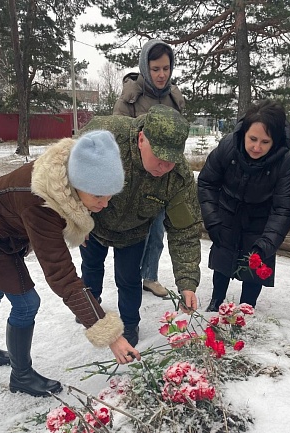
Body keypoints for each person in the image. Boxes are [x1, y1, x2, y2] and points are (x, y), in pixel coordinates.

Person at [0, 131, 141, 398]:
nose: (104, 205)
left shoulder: (68, 173)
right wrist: (111, 335)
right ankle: (21, 376)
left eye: (110, 196)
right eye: (98, 196)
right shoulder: (40, 203)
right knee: (27, 303)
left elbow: (70, 207)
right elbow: (62, 276)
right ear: (79, 182)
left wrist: (77, 224)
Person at [78, 104, 202, 347]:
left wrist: (187, 283)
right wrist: (75, 219)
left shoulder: (178, 179)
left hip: (133, 232)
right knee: (91, 268)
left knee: (129, 279)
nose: (165, 167)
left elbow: (184, 230)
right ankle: (89, 312)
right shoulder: (106, 137)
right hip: (93, 223)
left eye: (172, 160)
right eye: (160, 158)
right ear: (142, 138)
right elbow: (66, 171)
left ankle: (130, 325)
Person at [198, 99, 290, 311]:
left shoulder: (283, 161)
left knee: (256, 262)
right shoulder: (228, 146)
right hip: (227, 210)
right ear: (244, 133)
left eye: (265, 142)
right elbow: (207, 182)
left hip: (261, 218)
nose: (256, 147)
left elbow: (284, 208)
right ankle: (216, 301)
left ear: (275, 141)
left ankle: (246, 307)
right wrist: (212, 220)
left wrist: (267, 244)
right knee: (223, 259)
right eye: (252, 139)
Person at [113, 39, 185, 298]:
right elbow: (119, 140)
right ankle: (130, 279)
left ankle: (150, 276)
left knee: (157, 231)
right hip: (135, 179)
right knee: (133, 235)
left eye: (166, 68)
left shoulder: (175, 99)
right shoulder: (130, 98)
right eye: (155, 68)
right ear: (146, 67)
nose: (161, 74)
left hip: (162, 179)